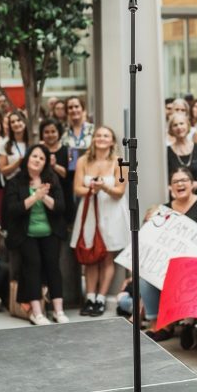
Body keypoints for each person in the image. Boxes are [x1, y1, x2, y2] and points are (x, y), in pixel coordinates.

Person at [142, 168, 197, 339]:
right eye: (175, 181)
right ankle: (159, 324)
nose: (180, 184)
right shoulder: (164, 209)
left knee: (182, 276)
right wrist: (149, 224)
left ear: (192, 184)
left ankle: (187, 322)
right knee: (145, 277)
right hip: (168, 262)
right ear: (170, 187)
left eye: (184, 180)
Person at [3, 144, 68, 326]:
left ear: (45, 162)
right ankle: (37, 313)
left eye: (41, 158)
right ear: (27, 158)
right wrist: (34, 197)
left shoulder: (51, 179)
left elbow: (61, 207)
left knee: (53, 267)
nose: (37, 160)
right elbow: (12, 210)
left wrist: (44, 196)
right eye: (34, 156)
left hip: (50, 232)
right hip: (26, 234)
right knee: (33, 267)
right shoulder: (16, 181)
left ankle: (58, 311)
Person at [71, 126, 130, 317]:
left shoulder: (121, 163)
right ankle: (89, 297)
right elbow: (77, 188)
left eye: (106, 135)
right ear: (93, 138)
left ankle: (101, 298)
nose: (101, 138)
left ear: (112, 141)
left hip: (111, 213)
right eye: (98, 135)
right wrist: (91, 190)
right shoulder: (82, 161)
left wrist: (103, 187)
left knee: (106, 257)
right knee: (90, 257)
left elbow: (120, 192)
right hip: (90, 211)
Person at [167, 112, 197, 193]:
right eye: (175, 125)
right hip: (176, 198)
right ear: (171, 130)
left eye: (181, 123)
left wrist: (194, 186)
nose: (179, 127)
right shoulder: (166, 152)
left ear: (187, 126)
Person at [62, 95, 94, 188]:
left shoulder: (93, 129)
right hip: (71, 176)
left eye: (76, 106)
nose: (74, 110)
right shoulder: (64, 133)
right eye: (70, 107)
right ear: (67, 111)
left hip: (91, 174)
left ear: (82, 109)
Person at [0, 110, 29, 179]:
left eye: (19, 120)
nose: (16, 124)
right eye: (12, 122)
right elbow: (3, 170)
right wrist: (18, 162)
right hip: (13, 184)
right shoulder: (5, 145)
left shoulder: (32, 142)